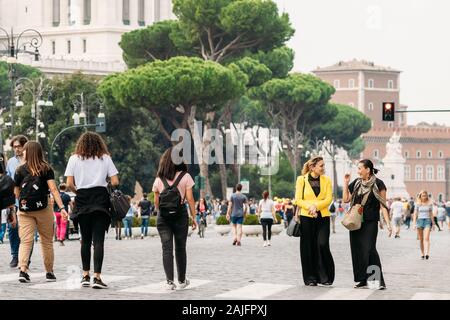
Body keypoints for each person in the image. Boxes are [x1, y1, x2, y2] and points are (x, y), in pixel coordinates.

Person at [65, 131, 119, 289]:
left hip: (82, 199)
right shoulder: (105, 158)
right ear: (99, 143)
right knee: (99, 241)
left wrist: (78, 192)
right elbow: (115, 181)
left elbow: (68, 184)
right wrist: (105, 182)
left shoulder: (74, 159)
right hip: (101, 199)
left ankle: (85, 275)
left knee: (85, 241)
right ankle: (97, 277)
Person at [14, 141, 69, 283]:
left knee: (25, 241)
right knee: (47, 241)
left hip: (25, 210)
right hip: (44, 209)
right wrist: (62, 208)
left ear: (29, 152)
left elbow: (16, 192)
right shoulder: (46, 168)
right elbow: (54, 190)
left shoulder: (19, 171)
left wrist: (23, 201)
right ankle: (49, 272)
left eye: (24, 150)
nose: (22, 152)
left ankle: (23, 270)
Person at [152, 147, 197, 290]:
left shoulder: (159, 179)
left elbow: (156, 202)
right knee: (180, 248)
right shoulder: (186, 177)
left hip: (163, 218)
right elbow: (190, 199)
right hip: (180, 216)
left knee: (166, 249)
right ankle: (182, 280)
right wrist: (194, 217)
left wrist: (162, 213)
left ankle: (169, 282)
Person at [343, 159, 391, 290]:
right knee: (357, 250)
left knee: (370, 249)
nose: (358, 171)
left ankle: (376, 281)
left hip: (370, 221)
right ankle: (362, 280)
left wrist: (388, 223)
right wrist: (346, 183)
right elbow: (346, 199)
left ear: (367, 170)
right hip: (356, 220)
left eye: (360, 168)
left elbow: (383, 205)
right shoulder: (357, 183)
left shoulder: (379, 184)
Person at [295, 156, 334, 287]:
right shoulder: (302, 180)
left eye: (324, 165)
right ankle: (310, 278)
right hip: (306, 217)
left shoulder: (327, 180)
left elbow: (329, 199)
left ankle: (326, 276)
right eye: (321, 166)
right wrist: (309, 207)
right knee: (308, 247)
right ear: (312, 167)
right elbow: (298, 200)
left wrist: (315, 206)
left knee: (322, 244)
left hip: (323, 217)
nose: (323, 168)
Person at [6, 135, 28, 268]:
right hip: (13, 200)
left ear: (24, 146)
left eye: (19, 146)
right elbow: (7, 181)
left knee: (26, 229)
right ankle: (15, 255)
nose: (17, 149)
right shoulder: (10, 162)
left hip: (28, 199)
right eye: (14, 147)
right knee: (12, 228)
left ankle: (25, 258)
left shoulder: (30, 160)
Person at [412, 191, 435, 260]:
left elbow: (431, 214)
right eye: (423, 195)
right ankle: (422, 254)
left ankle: (427, 253)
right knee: (421, 239)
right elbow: (415, 214)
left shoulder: (430, 204)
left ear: (427, 196)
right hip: (419, 221)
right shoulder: (417, 204)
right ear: (420, 196)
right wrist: (413, 224)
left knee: (426, 238)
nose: (424, 197)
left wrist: (433, 224)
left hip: (427, 221)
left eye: (425, 195)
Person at [0, 152, 16, 245]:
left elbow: (9, 201)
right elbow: (10, 201)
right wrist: (12, 217)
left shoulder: (7, 180)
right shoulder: (7, 179)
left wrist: (11, 217)